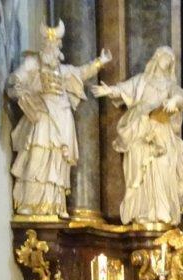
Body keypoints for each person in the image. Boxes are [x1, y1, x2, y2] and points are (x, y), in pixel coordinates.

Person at [92, 46, 183, 226]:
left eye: (170, 59)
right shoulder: (142, 80)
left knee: (163, 165)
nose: (167, 60)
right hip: (140, 127)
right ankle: (143, 211)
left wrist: (173, 101)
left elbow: (181, 98)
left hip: (161, 129)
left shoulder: (170, 85)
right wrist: (109, 91)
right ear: (157, 57)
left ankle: (161, 210)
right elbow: (124, 89)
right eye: (164, 56)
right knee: (140, 168)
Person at [8, 22, 111, 217]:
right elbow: (15, 81)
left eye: (55, 44)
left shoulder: (63, 71)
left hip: (62, 115)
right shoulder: (32, 63)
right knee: (38, 154)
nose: (52, 47)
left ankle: (55, 204)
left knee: (58, 160)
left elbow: (82, 72)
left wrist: (100, 61)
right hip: (42, 114)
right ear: (43, 45)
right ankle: (30, 202)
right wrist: (20, 90)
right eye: (49, 43)